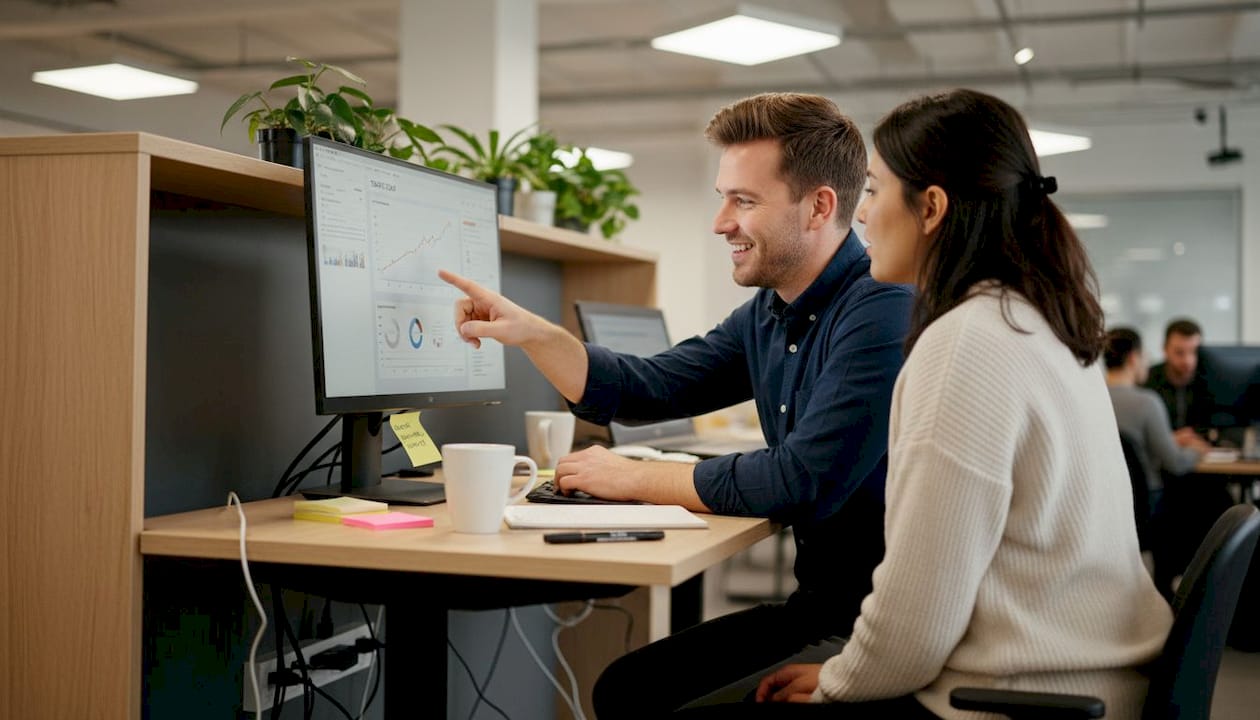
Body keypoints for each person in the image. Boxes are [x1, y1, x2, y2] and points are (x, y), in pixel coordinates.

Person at [683, 89, 1172, 719]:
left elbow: (918, 613)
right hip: (1088, 680)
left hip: (1010, 698)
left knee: (649, 694)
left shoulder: (964, 342)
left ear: (931, 208)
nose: (862, 217)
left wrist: (838, 681)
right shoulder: (1036, 319)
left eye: (876, 192)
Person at [440, 92, 913, 717]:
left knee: (638, 696)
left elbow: (801, 480)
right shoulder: (770, 314)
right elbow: (652, 387)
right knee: (627, 688)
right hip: (824, 607)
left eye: (743, 200)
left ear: (819, 206)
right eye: (724, 197)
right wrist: (536, 334)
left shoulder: (881, 306)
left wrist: (638, 478)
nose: (721, 222)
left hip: (879, 628)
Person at [1105, 327, 1210, 599]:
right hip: (1148, 506)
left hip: (1106, 505)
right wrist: (1199, 451)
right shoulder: (1146, 402)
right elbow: (1175, 463)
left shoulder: (1092, 398)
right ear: (1133, 359)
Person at [1144, 318, 1215, 432]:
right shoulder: (1146, 380)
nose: (1187, 360)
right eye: (1179, 352)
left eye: (1194, 352)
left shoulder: (1211, 380)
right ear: (1165, 349)